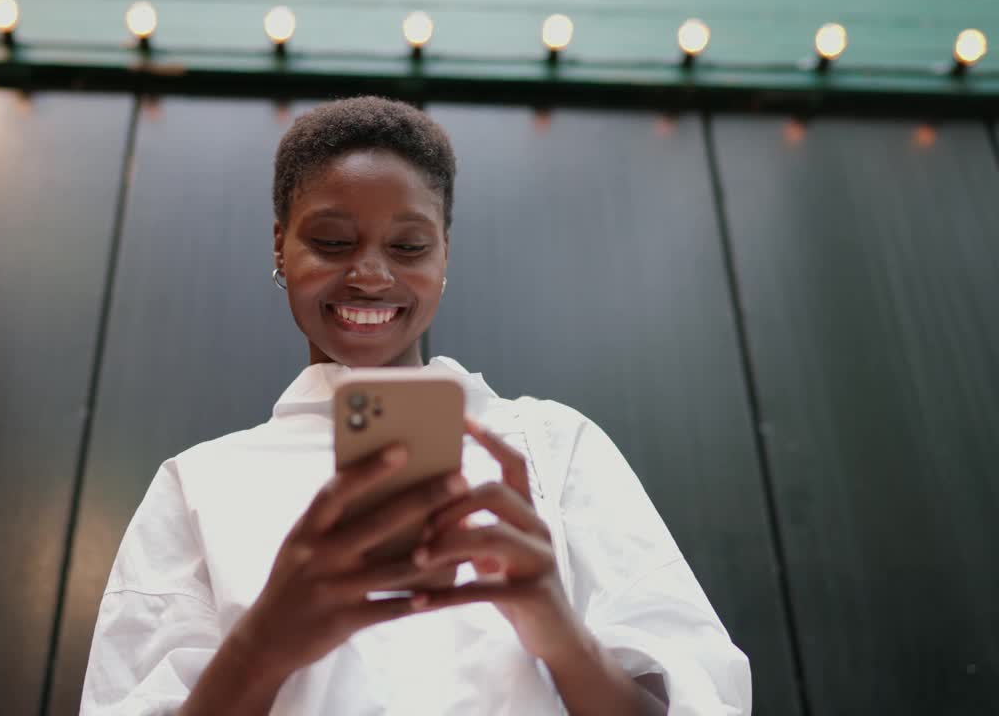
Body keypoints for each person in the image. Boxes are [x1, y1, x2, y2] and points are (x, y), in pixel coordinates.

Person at [80, 96, 751, 715]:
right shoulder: (198, 485)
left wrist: (556, 627)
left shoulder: (552, 444)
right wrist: (266, 639)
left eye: (408, 246)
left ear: (444, 256)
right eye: (333, 241)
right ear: (279, 245)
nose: (371, 274)